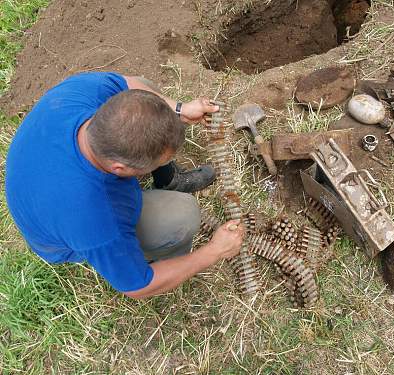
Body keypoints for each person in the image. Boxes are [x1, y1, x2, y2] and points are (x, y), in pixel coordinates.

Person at [5, 72, 244, 299]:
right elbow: (138, 286)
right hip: (58, 236)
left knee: (146, 97)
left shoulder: (78, 93)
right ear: (120, 169)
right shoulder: (96, 218)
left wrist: (180, 110)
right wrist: (214, 251)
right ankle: (161, 257)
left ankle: (168, 180)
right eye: (158, 164)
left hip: (43, 178)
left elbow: (129, 83)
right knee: (183, 215)